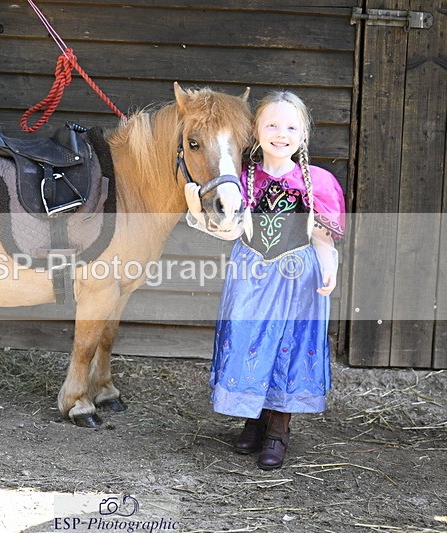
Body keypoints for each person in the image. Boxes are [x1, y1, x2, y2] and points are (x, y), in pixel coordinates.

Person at [185, 91, 345, 470]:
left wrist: (329, 264)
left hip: (295, 280)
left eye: (290, 126)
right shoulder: (244, 179)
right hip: (251, 278)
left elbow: (323, 236)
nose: (281, 133)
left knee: (287, 346)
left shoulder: (317, 182)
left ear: (303, 134)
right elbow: (229, 230)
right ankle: (253, 419)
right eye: (271, 124)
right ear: (255, 132)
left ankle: (278, 429)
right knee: (250, 343)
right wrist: (196, 212)